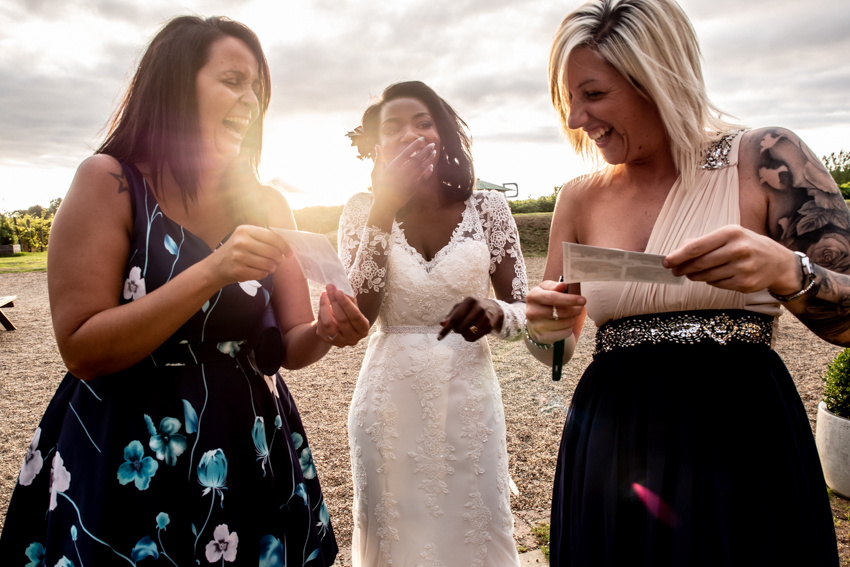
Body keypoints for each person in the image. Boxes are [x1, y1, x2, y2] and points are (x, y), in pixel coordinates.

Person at [0, 16, 369, 566]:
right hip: (131, 450)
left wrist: (325, 330)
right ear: (176, 84)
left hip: (246, 451)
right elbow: (80, 347)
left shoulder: (266, 204)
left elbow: (290, 344)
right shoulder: (109, 182)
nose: (251, 100)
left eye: (257, 88)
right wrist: (213, 269)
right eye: (233, 80)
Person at [525, 0, 849, 565]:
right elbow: (555, 348)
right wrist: (545, 328)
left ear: (657, 79)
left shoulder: (767, 158)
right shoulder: (578, 197)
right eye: (568, 98)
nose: (576, 118)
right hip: (611, 447)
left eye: (593, 94)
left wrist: (786, 272)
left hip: (740, 437)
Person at [340, 80, 527, 566]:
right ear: (377, 144)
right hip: (386, 403)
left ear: (443, 133)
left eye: (423, 122)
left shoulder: (489, 210)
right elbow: (359, 312)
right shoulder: (361, 212)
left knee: (476, 534)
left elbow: (528, 307)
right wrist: (383, 207)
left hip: (469, 401)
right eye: (393, 126)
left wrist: (497, 312)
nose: (409, 134)